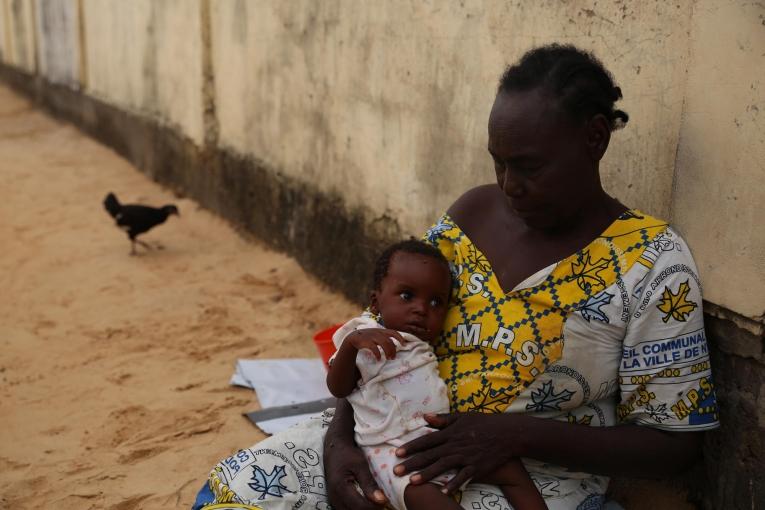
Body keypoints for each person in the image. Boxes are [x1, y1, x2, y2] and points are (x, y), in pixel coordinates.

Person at [193, 44, 719, 510]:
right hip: (385, 437)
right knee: (239, 489)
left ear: (595, 138)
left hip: (527, 478)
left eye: (530, 168)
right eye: (498, 163)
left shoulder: (652, 264)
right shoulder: (471, 216)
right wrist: (339, 444)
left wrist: (511, 435)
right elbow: (377, 339)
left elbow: (674, 446)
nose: (509, 185)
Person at [326, 239, 547, 510]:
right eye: (407, 296)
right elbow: (339, 388)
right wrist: (350, 344)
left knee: (510, 469)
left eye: (435, 302)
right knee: (425, 497)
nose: (422, 309)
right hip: (395, 453)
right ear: (375, 301)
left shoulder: (421, 341)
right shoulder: (369, 338)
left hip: (440, 442)